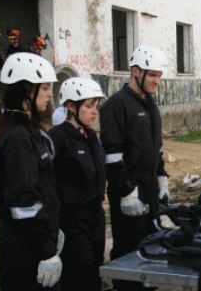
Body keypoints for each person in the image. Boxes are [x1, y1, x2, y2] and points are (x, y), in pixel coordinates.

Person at [100, 45, 169, 291]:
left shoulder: (150, 104)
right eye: (152, 75)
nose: (156, 81)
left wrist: (162, 180)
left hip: (149, 190)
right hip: (128, 195)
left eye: (159, 76)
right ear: (135, 71)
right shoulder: (115, 105)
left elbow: (156, 149)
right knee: (128, 249)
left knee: (151, 245)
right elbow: (112, 155)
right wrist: (126, 192)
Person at [0, 52, 62, 291]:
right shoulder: (17, 137)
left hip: (33, 244)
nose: (50, 94)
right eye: (44, 88)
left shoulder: (28, 129)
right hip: (24, 251)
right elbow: (22, 201)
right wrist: (46, 249)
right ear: (24, 92)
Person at [48, 77, 106, 291]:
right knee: (78, 273)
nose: (95, 112)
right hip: (72, 220)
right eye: (89, 106)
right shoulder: (57, 137)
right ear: (71, 106)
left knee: (95, 273)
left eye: (96, 106)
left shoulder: (90, 135)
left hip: (96, 216)